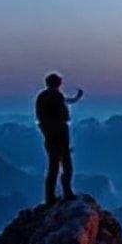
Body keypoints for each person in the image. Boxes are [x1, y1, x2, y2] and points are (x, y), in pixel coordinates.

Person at [35, 72, 84, 204]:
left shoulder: (42, 96)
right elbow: (62, 108)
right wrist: (77, 98)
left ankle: (49, 197)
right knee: (67, 166)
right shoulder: (56, 96)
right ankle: (67, 192)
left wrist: (76, 98)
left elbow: (62, 102)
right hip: (60, 134)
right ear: (58, 83)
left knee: (53, 167)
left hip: (49, 136)